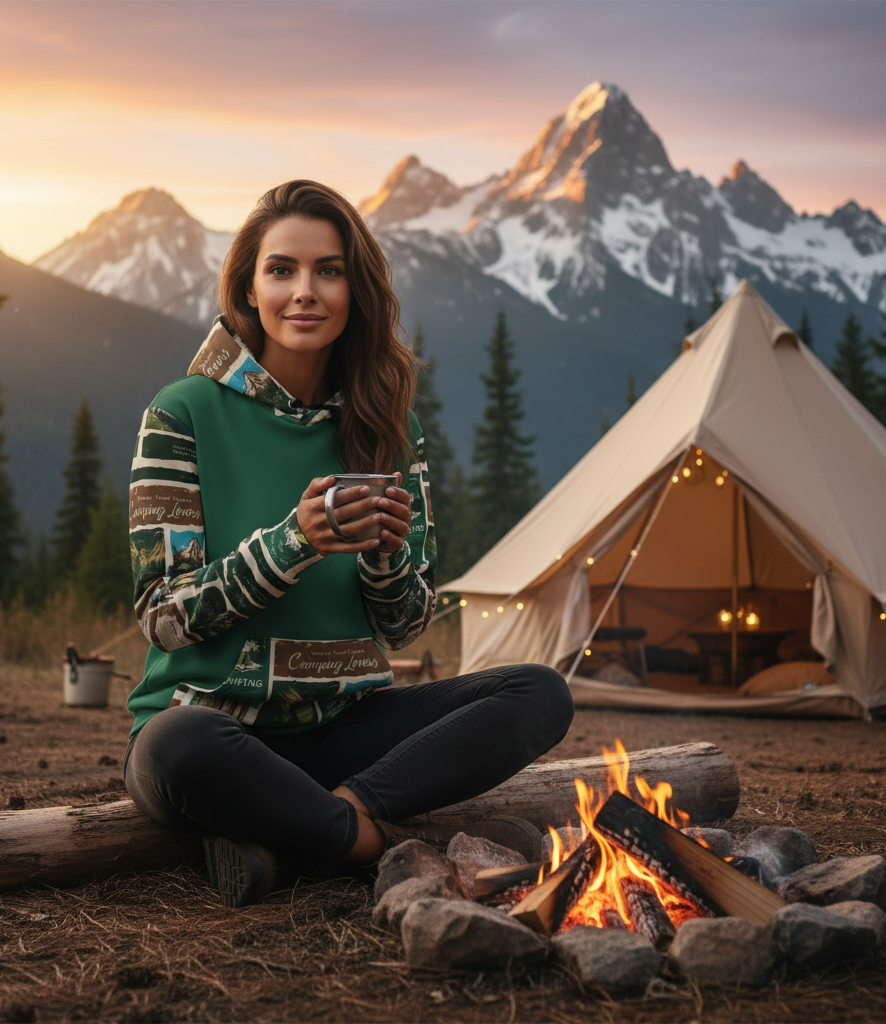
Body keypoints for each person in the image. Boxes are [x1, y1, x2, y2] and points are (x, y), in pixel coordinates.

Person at [122, 180, 574, 906]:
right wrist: (293, 542)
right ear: (248, 287)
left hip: (344, 735)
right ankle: (372, 846)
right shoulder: (182, 413)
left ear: (355, 289)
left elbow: (404, 622)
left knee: (539, 692)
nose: (306, 292)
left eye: (328, 270)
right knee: (180, 745)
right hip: (212, 729)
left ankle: (314, 832)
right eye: (282, 270)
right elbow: (165, 617)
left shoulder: (392, 429)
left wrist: (386, 557)